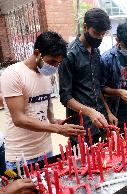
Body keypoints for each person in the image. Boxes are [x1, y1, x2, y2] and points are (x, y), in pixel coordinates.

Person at [1, 31, 85, 169]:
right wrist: (57, 129)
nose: (54, 67)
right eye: (52, 61)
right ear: (37, 53)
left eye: (58, 63)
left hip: (45, 151)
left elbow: (46, 101)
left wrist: (54, 120)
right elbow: (19, 119)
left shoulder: (48, 76)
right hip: (21, 156)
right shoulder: (13, 74)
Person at [59, 8, 112, 145]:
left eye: (102, 34)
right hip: (80, 125)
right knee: (82, 162)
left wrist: (107, 112)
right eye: (96, 33)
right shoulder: (69, 55)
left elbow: (97, 87)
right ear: (85, 27)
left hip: (99, 121)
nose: (99, 38)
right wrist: (90, 112)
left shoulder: (95, 51)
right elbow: (66, 97)